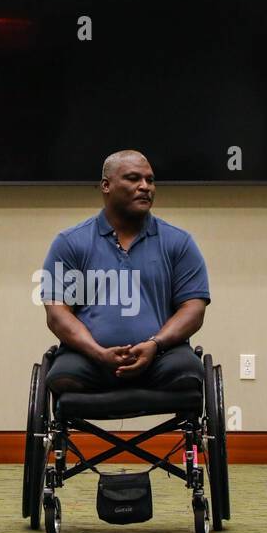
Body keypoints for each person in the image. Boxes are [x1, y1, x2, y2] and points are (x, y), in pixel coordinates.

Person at [40, 150, 210, 394]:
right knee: (62, 380)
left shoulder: (179, 242)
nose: (145, 187)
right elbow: (56, 313)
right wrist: (97, 352)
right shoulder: (69, 242)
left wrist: (155, 344)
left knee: (188, 375)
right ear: (106, 186)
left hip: (160, 357)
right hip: (89, 358)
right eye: (133, 178)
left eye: (150, 180)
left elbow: (194, 308)